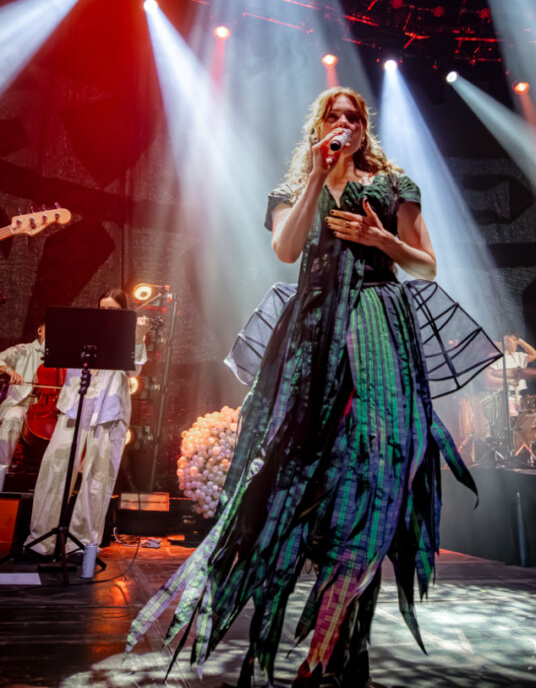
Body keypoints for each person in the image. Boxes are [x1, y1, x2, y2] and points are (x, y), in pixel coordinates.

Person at [128, 87, 499, 688]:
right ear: (319, 127)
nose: (345, 124)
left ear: (366, 128)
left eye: (355, 117)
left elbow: (426, 265)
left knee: (376, 479)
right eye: (335, 115)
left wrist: (383, 242)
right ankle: (327, 636)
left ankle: (333, 649)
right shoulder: (291, 190)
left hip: (378, 327)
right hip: (312, 334)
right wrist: (315, 180)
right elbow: (286, 249)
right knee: (298, 476)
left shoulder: (392, 185)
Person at [26, 289, 149, 556]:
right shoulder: (82, 329)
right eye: (103, 309)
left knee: (97, 477)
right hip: (75, 404)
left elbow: (134, 368)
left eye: (113, 311)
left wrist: (138, 336)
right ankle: (41, 540)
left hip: (108, 409)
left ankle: (80, 544)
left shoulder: (128, 334)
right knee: (56, 468)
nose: (107, 315)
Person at [0, 322, 47, 492]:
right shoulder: (24, 350)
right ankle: (1, 469)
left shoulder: (60, 358)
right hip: (19, 405)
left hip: (45, 410)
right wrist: (9, 371)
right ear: (39, 329)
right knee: (14, 417)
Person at [486, 332, 536, 416]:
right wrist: (510, 382)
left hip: (521, 398)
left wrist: (520, 341)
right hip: (505, 398)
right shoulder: (494, 357)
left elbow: (535, 354)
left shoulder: (518, 356)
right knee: (513, 420)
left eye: (517, 341)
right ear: (505, 340)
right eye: (514, 340)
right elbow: (489, 379)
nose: (517, 343)